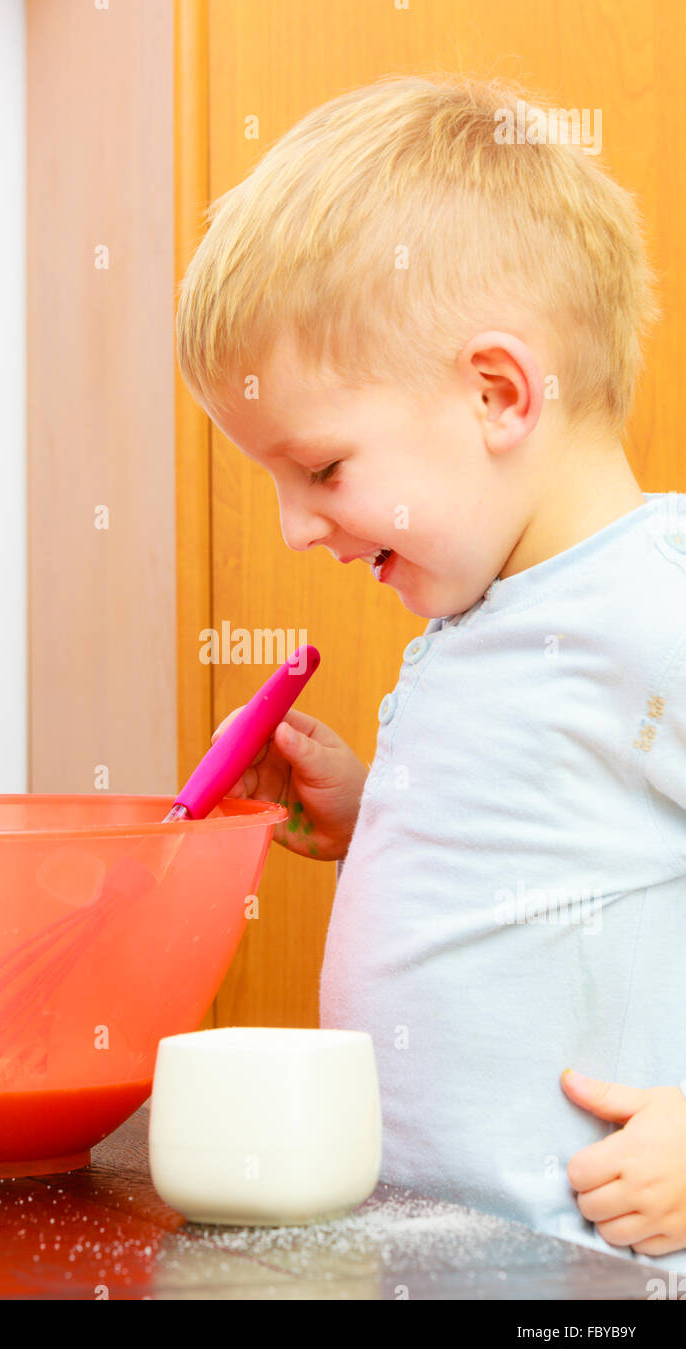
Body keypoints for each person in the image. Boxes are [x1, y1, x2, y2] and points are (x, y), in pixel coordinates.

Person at [176, 72, 686, 1275]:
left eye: (322, 468)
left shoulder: (646, 605)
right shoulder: (489, 610)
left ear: (494, 393)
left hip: (589, 1270)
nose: (298, 528)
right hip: (436, 1250)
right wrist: (377, 813)